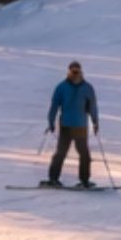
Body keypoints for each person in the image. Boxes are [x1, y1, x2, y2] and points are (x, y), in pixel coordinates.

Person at [45, 60, 100, 188]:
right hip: (66, 126)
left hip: (81, 127)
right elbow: (54, 106)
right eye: (73, 71)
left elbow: (93, 106)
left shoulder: (87, 88)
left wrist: (95, 121)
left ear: (81, 72)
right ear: (69, 72)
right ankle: (53, 179)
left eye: (77, 71)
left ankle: (84, 180)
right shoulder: (61, 87)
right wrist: (51, 121)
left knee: (84, 154)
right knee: (61, 152)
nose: (75, 74)